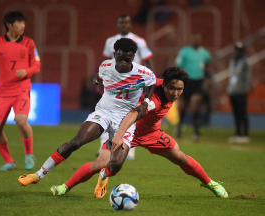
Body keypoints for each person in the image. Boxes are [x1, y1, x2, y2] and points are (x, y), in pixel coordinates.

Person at [35, 66, 228, 199]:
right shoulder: (155, 101)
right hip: (127, 130)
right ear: (165, 85)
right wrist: (119, 135)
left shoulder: (162, 83)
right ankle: (64, 187)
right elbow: (134, 113)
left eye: (180, 90)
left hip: (152, 134)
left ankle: (210, 183)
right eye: (172, 89)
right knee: (101, 162)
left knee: (181, 157)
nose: (176, 93)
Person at [18, 38, 157, 188]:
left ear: (134, 56)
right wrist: (96, 82)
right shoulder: (105, 66)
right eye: (120, 57)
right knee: (77, 141)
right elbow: (99, 78)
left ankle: (103, 176)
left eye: (127, 59)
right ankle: (38, 174)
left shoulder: (144, 72)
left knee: (116, 164)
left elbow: (152, 83)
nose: (123, 62)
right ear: (114, 54)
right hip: (104, 112)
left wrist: (146, 102)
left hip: (126, 119)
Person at [0, 11, 40, 171]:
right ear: (9, 25)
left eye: (24, 23)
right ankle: (9, 162)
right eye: (19, 23)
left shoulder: (29, 43)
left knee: (21, 121)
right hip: (2, 91)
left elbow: (36, 66)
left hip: (22, 89)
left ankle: (29, 154)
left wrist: (26, 72)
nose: (23, 26)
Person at [101, 14, 154, 160]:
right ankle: (104, 146)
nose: (123, 25)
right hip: (114, 82)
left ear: (130, 24)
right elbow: (105, 60)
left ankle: (128, 148)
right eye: (121, 22)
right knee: (106, 112)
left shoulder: (139, 41)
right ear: (117, 24)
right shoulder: (110, 41)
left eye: (126, 22)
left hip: (133, 84)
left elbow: (148, 61)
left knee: (130, 113)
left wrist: (151, 77)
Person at [175, 32, 212, 140]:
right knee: (184, 106)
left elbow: (207, 67)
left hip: (198, 82)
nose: (196, 41)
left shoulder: (205, 53)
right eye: (194, 39)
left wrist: (208, 78)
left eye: (198, 39)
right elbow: (178, 66)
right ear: (191, 40)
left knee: (196, 103)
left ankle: (196, 131)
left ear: (200, 40)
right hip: (187, 81)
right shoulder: (184, 51)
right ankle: (179, 127)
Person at [227, 42, 251, 143]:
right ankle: (237, 133)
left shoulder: (245, 62)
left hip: (241, 91)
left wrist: (245, 89)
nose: (237, 52)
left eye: (239, 50)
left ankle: (245, 134)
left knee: (243, 113)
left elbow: (247, 77)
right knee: (236, 113)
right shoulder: (232, 61)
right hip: (233, 91)